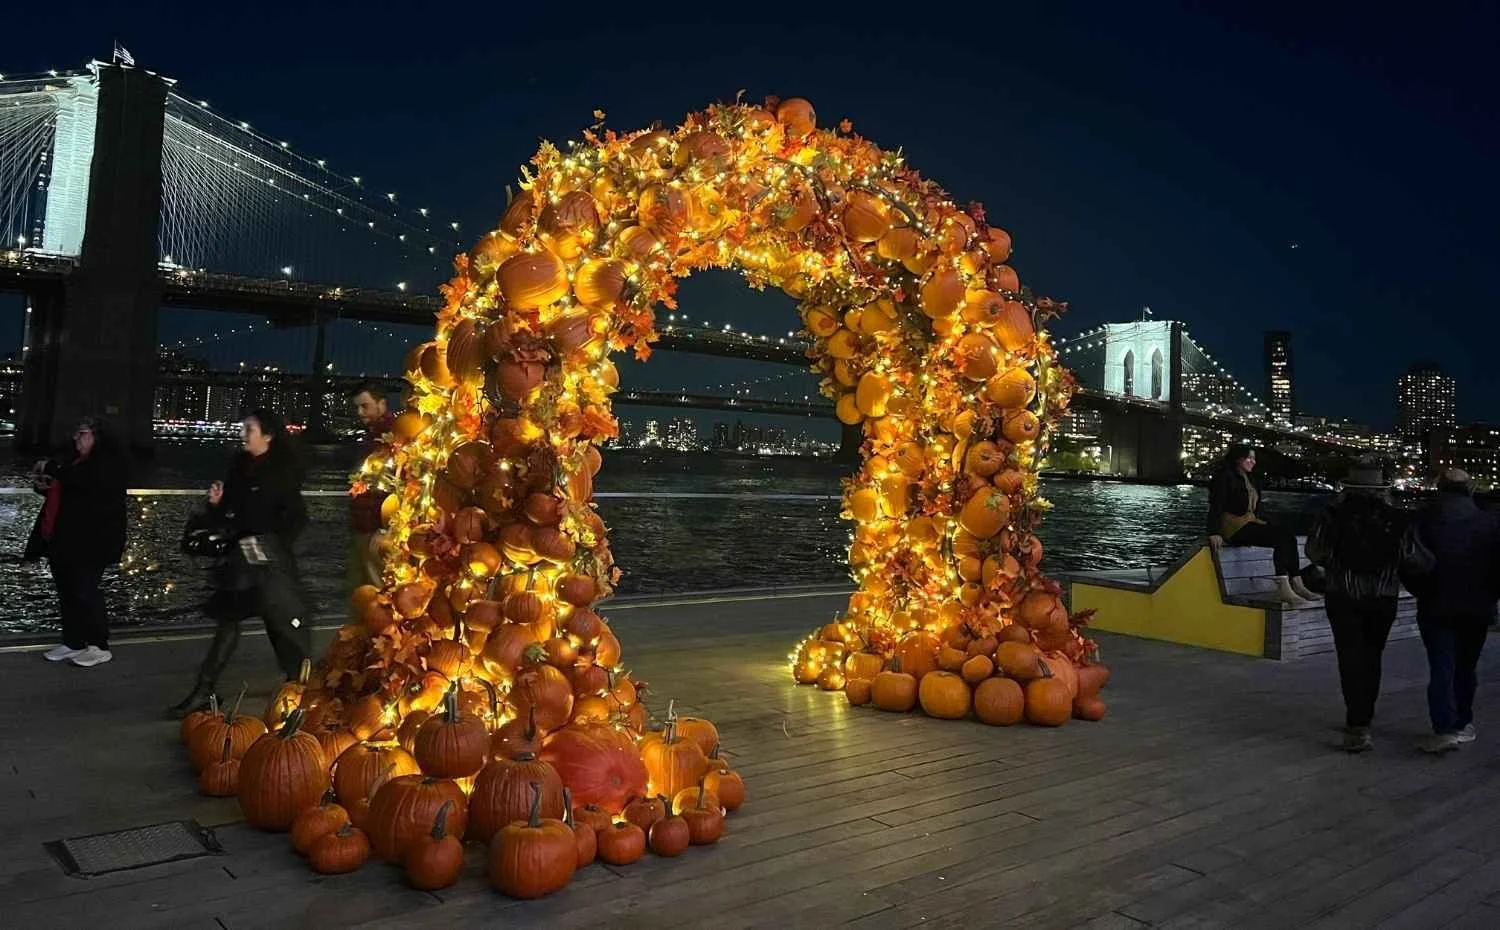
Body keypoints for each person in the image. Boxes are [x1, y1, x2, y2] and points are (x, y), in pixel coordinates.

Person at [169, 409, 313, 716]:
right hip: (242, 564)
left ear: (268, 436)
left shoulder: (282, 471)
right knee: (231, 621)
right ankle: (205, 689)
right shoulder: (239, 467)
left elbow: (297, 517)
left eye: (250, 428)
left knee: (278, 624)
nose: (244, 433)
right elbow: (230, 515)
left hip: (269, 564)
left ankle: (298, 686)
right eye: (244, 427)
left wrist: (274, 545)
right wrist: (216, 505)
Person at [1304, 459, 1407, 752]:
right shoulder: (1396, 518)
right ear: (1380, 489)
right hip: (1383, 597)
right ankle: (1365, 718)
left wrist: (1336, 563)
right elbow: (1412, 557)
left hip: (1343, 596)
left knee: (1349, 657)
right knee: (1373, 656)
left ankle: (1356, 724)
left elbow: (1315, 551)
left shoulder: (1332, 515)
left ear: (1348, 488)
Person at [23, 418, 128, 668]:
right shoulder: (72, 463)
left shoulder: (106, 465)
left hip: (92, 542)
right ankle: (74, 642)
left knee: (85, 591)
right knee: (67, 593)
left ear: (97, 438)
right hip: (63, 540)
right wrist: (44, 486)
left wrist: (54, 470)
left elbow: (89, 485)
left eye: (82, 434)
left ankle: (99, 646)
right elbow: (67, 491)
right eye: (76, 433)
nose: (75, 438)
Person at [1409, 468, 1500, 754]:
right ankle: (1463, 722)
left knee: (1441, 666)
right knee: (1466, 666)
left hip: (1435, 604)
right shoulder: (1489, 522)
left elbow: (1409, 562)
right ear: (1470, 489)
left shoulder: (1423, 519)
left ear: (1440, 487)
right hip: (1477, 607)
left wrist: (1422, 591)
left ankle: (1445, 727)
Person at [1206, 445, 1320, 605]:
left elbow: (1254, 508)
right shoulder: (1224, 477)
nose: (1253, 462)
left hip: (1249, 522)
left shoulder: (1250, 478)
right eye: (1249, 458)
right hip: (1233, 527)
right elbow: (1216, 505)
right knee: (1280, 539)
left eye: (1254, 458)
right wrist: (1213, 532)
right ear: (1238, 459)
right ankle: (1284, 589)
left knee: (1289, 537)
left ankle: (1298, 584)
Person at [347, 382, 395, 594]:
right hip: (363, 527)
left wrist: (386, 529)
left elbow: (402, 486)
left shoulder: (394, 438)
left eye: (365, 406)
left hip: (377, 532)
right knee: (360, 592)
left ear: (381, 404)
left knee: (376, 595)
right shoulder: (372, 437)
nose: (360, 412)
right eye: (357, 407)